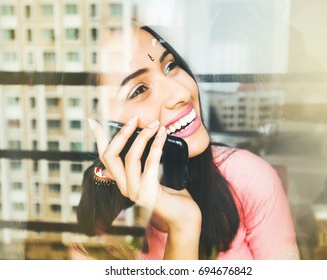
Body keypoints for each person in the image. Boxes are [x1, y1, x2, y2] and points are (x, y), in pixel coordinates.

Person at [72, 26, 300, 260]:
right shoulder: (93, 242)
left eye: (170, 66)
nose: (181, 92)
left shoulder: (248, 177)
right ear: (102, 129)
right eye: (139, 90)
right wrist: (184, 225)